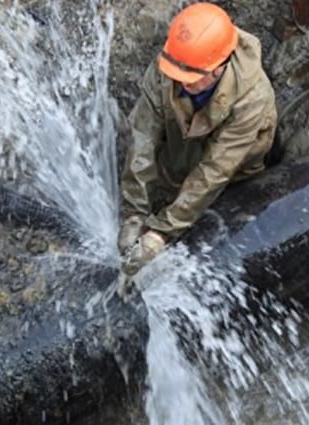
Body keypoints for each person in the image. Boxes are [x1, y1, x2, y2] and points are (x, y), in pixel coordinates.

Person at [119, 2, 277, 277]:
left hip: (235, 173)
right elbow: (143, 135)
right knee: (166, 185)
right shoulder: (174, 64)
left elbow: (215, 170)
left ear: (219, 67)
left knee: (215, 223)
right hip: (181, 148)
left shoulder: (253, 98)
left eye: (191, 78)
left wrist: (160, 233)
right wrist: (134, 211)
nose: (181, 83)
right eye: (178, 76)